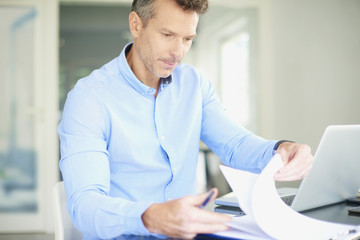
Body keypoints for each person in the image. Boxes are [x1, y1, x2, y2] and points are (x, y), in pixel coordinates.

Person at [57, 0, 314, 239]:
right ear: (136, 25)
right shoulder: (89, 98)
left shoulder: (194, 83)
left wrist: (282, 150)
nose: (177, 52)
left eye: (188, 38)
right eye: (167, 35)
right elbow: (85, 205)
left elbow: (235, 144)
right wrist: (149, 217)